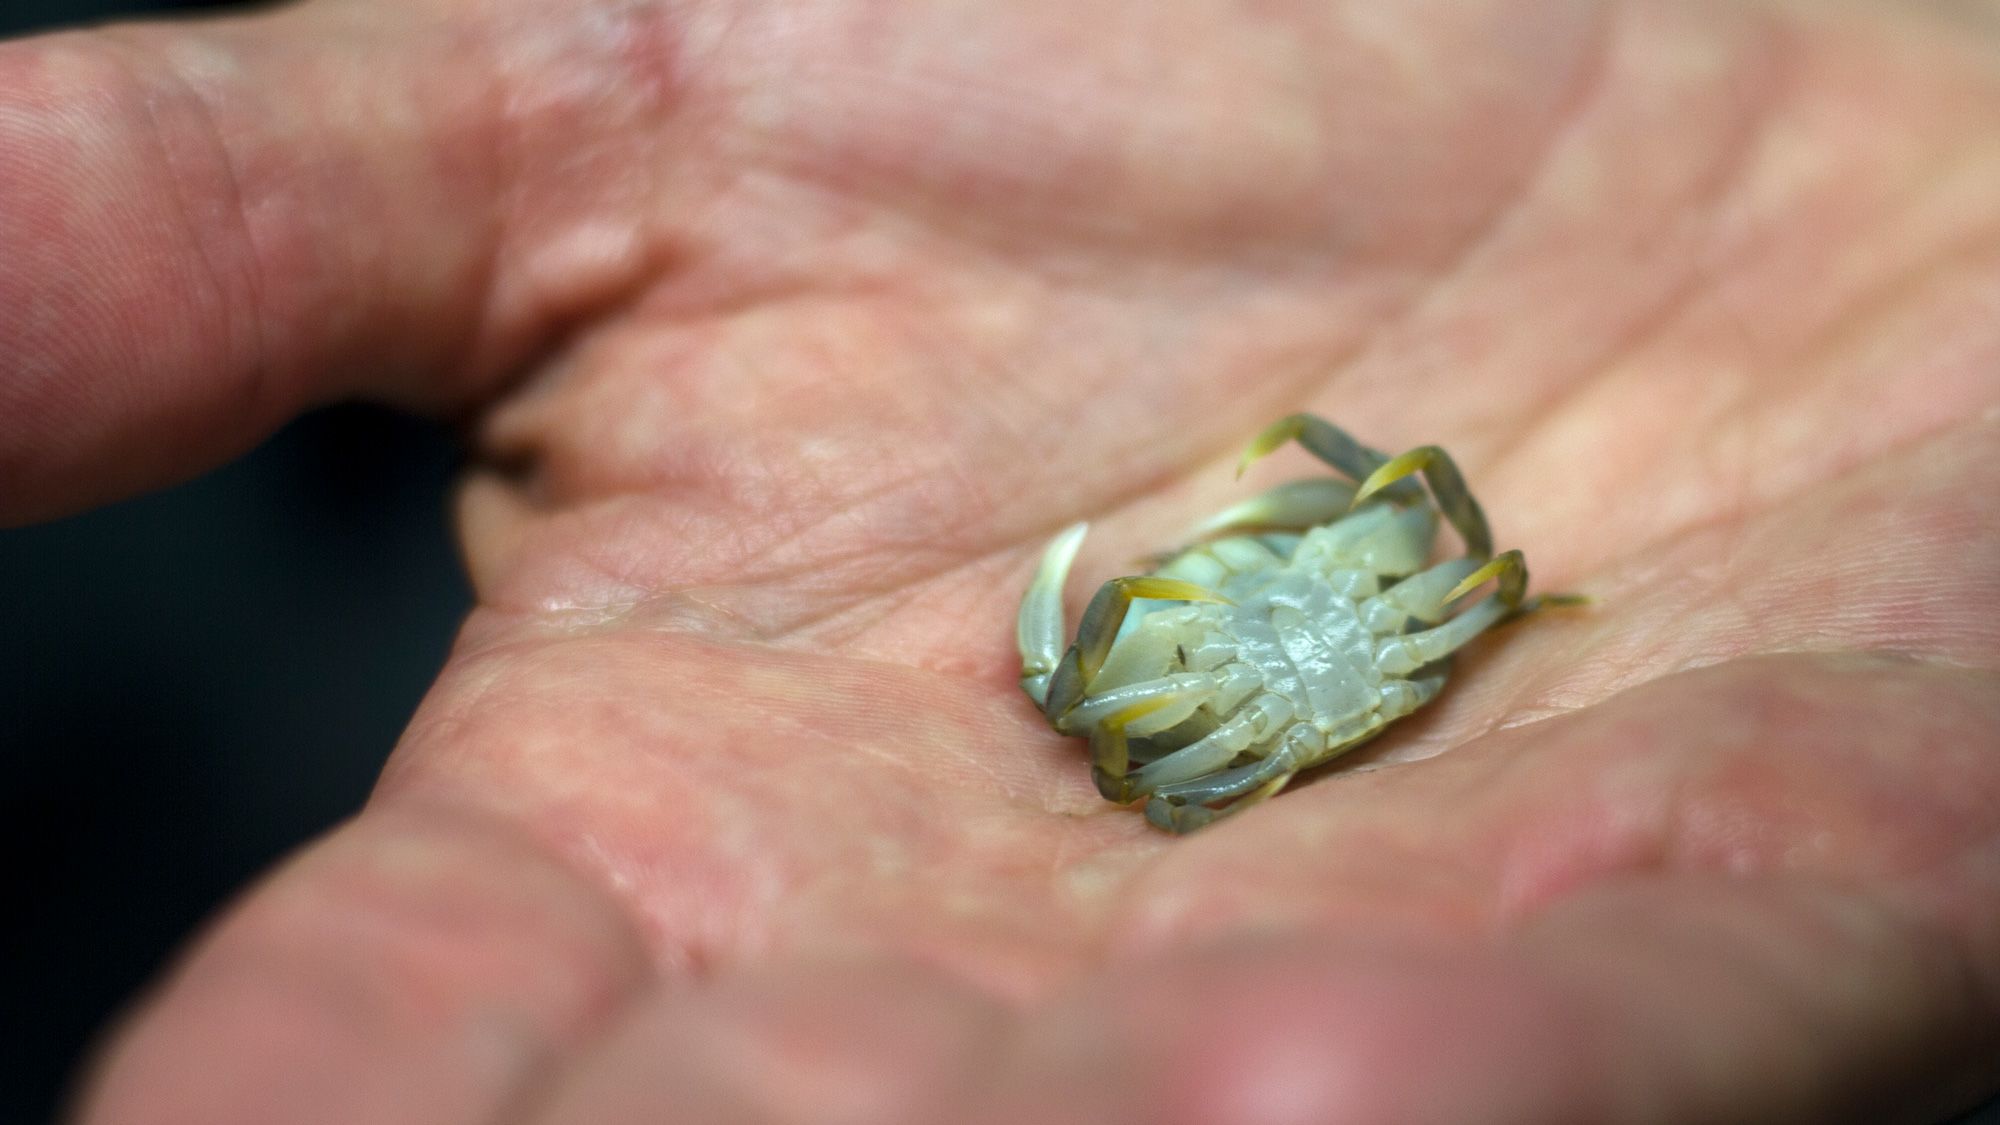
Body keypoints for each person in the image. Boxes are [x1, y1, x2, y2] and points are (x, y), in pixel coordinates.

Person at [7, 0, 1998, 1120]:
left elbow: (1384, 551)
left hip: (1354, 631)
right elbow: (1172, 735)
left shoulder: (1383, 578)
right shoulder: (1199, 672)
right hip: (1322, 645)